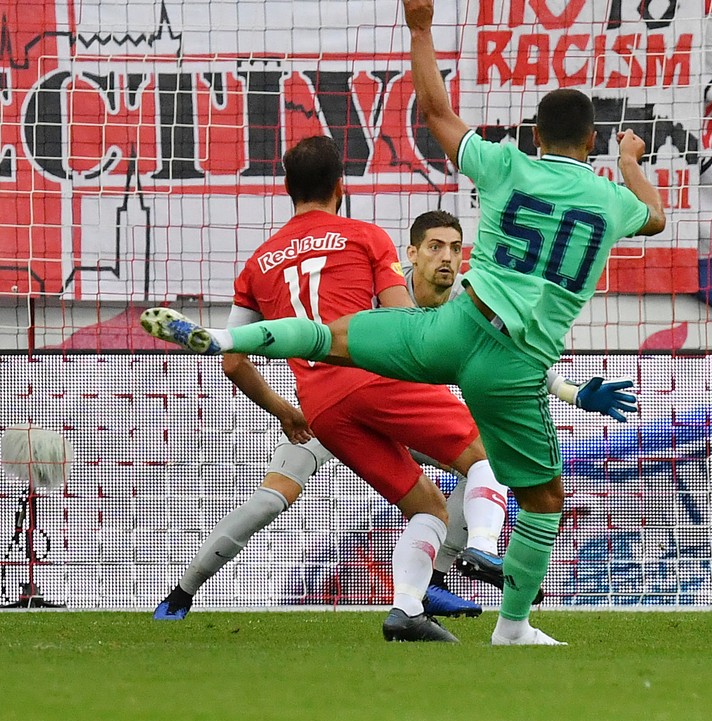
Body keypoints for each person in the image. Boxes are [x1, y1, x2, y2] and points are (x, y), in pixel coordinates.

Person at [141, 0, 666, 646]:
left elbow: (436, 113)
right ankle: (506, 608)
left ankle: (222, 344)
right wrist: (632, 162)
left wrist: (420, 29)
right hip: (507, 366)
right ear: (590, 142)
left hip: (421, 343)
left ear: (533, 135)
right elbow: (657, 216)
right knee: (527, 489)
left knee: (328, 344)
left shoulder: (501, 164)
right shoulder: (610, 199)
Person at [151, 210, 637, 622]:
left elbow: (515, 355)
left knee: (485, 466)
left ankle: (431, 583)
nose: (446, 257)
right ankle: (182, 592)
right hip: (359, 397)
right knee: (273, 500)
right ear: (412, 255)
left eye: (454, 248)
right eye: (435, 247)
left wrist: (573, 393)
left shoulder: (471, 298)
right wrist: (285, 410)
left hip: (381, 407)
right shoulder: (382, 296)